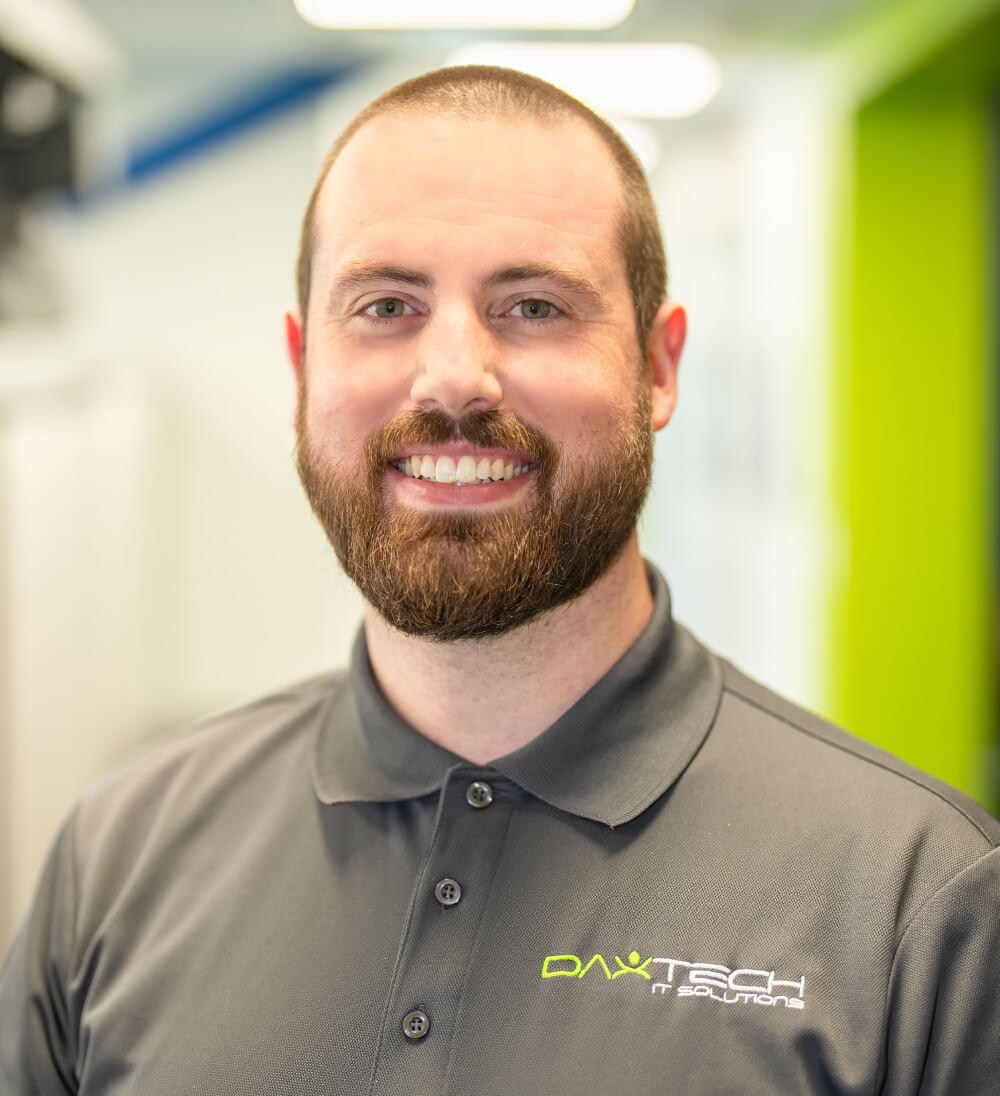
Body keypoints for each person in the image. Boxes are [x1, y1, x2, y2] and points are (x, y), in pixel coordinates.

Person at [1, 65, 998, 1096]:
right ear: (301, 371)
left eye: (533, 305)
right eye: (386, 305)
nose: (452, 376)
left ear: (657, 367)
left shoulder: (917, 906)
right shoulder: (118, 861)